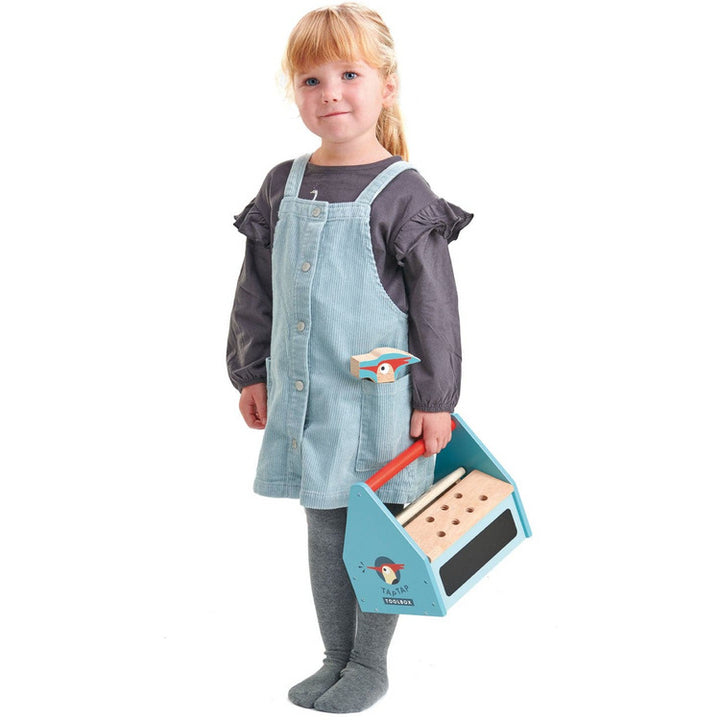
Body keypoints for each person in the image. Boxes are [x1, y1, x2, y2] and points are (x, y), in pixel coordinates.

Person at [227, 3, 472, 712]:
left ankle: (369, 663)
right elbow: (256, 286)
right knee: (322, 525)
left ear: (386, 86)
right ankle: (334, 655)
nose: (329, 92)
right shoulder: (282, 182)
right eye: (311, 80)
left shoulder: (404, 193)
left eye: (349, 75)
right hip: (308, 397)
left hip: (383, 405)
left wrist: (437, 400)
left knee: (377, 532)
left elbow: (436, 309)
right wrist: (249, 371)